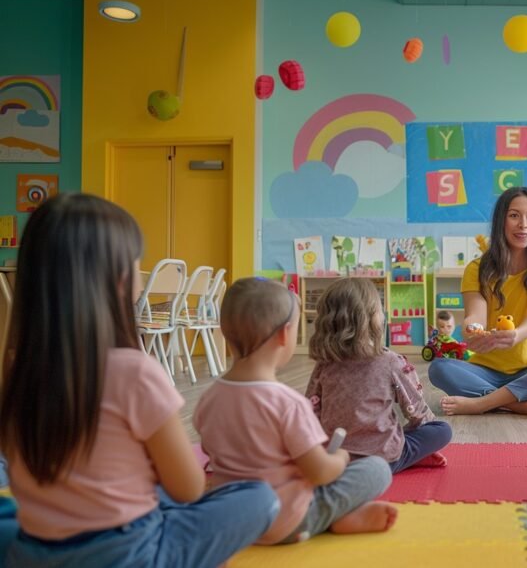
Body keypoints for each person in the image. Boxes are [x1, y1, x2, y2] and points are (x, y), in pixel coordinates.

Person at [0, 194, 279, 567]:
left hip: (33, 554)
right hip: (132, 556)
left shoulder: (17, 373)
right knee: (259, 498)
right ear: (118, 280)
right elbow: (188, 488)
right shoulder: (134, 372)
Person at [194, 278, 397, 545]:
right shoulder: (288, 403)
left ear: (223, 331)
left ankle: (332, 516)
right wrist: (342, 458)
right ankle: (329, 517)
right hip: (284, 521)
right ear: (283, 335)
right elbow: (321, 473)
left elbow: (213, 453)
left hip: (232, 519)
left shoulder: (209, 398)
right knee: (377, 469)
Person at [428, 187, 527, 417]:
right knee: (439, 368)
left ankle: (481, 403)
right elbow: (475, 315)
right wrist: (472, 330)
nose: (523, 224)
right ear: (501, 221)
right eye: (514, 215)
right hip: (485, 370)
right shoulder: (477, 269)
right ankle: (516, 403)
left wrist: (516, 335)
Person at [306, 278, 452, 474]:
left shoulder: (324, 364)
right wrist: (421, 439)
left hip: (336, 460)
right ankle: (411, 457)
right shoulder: (390, 361)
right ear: (372, 318)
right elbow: (417, 411)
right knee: (442, 429)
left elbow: (310, 411)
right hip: (383, 458)